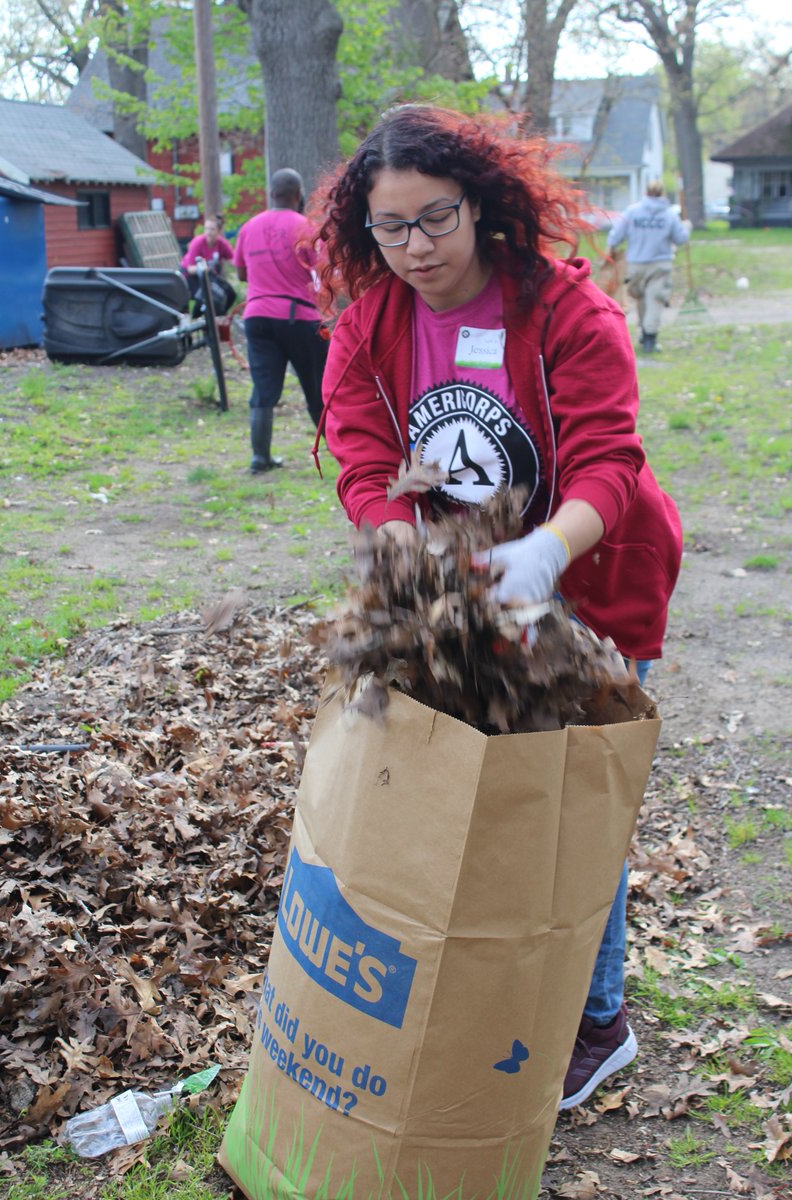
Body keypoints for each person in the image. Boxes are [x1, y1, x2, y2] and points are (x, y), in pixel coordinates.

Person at [311, 105, 683, 1112]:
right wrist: (392, 531)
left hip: (591, 574)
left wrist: (541, 555)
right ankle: (503, 984)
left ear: (477, 204)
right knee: (487, 798)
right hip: (458, 584)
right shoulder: (372, 322)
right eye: (389, 229)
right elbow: (353, 440)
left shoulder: (564, 312)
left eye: (433, 219)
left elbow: (609, 460)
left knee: (572, 801)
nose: (414, 248)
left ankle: (597, 1020)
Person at [233, 168, 329, 473]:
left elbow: (240, 274)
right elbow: (324, 273)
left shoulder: (249, 227)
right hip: (299, 318)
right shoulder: (306, 227)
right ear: (298, 195)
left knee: (263, 391)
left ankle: (259, 459)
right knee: (318, 390)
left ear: (270, 193)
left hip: (258, 318)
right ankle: (344, 455)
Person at [607, 181, 691, 353]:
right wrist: (686, 226)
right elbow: (681, 239)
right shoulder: (669, 215)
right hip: (660, 265)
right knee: (655, 300)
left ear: (646, 192)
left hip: (635, 265)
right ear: (662, 194)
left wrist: (612, 249)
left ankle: (646, 334)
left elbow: (615, 236)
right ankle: (649, 337)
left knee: (642, 298)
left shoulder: (633, 212)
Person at [180, 215, 237, 314]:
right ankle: (197, 320)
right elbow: (190, 269)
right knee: (207, 295)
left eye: (212, 229)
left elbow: (234, 261)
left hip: (207, 275)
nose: (208, 232)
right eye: (206, 229)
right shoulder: (198, 243)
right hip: (191, 276)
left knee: (230, 294)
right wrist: (204, 268)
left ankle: (219, 319)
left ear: (218, 231)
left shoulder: (221, 244)